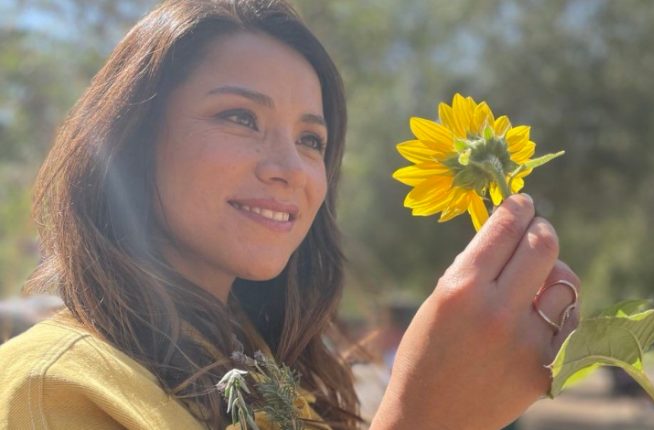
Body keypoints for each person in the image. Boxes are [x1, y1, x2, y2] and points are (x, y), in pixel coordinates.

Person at [0, 0, 581, 429]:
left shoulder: (281, 381)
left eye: (311, 139)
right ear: (130, 141)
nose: (291, 168)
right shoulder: (52, 389)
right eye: (239, 118)